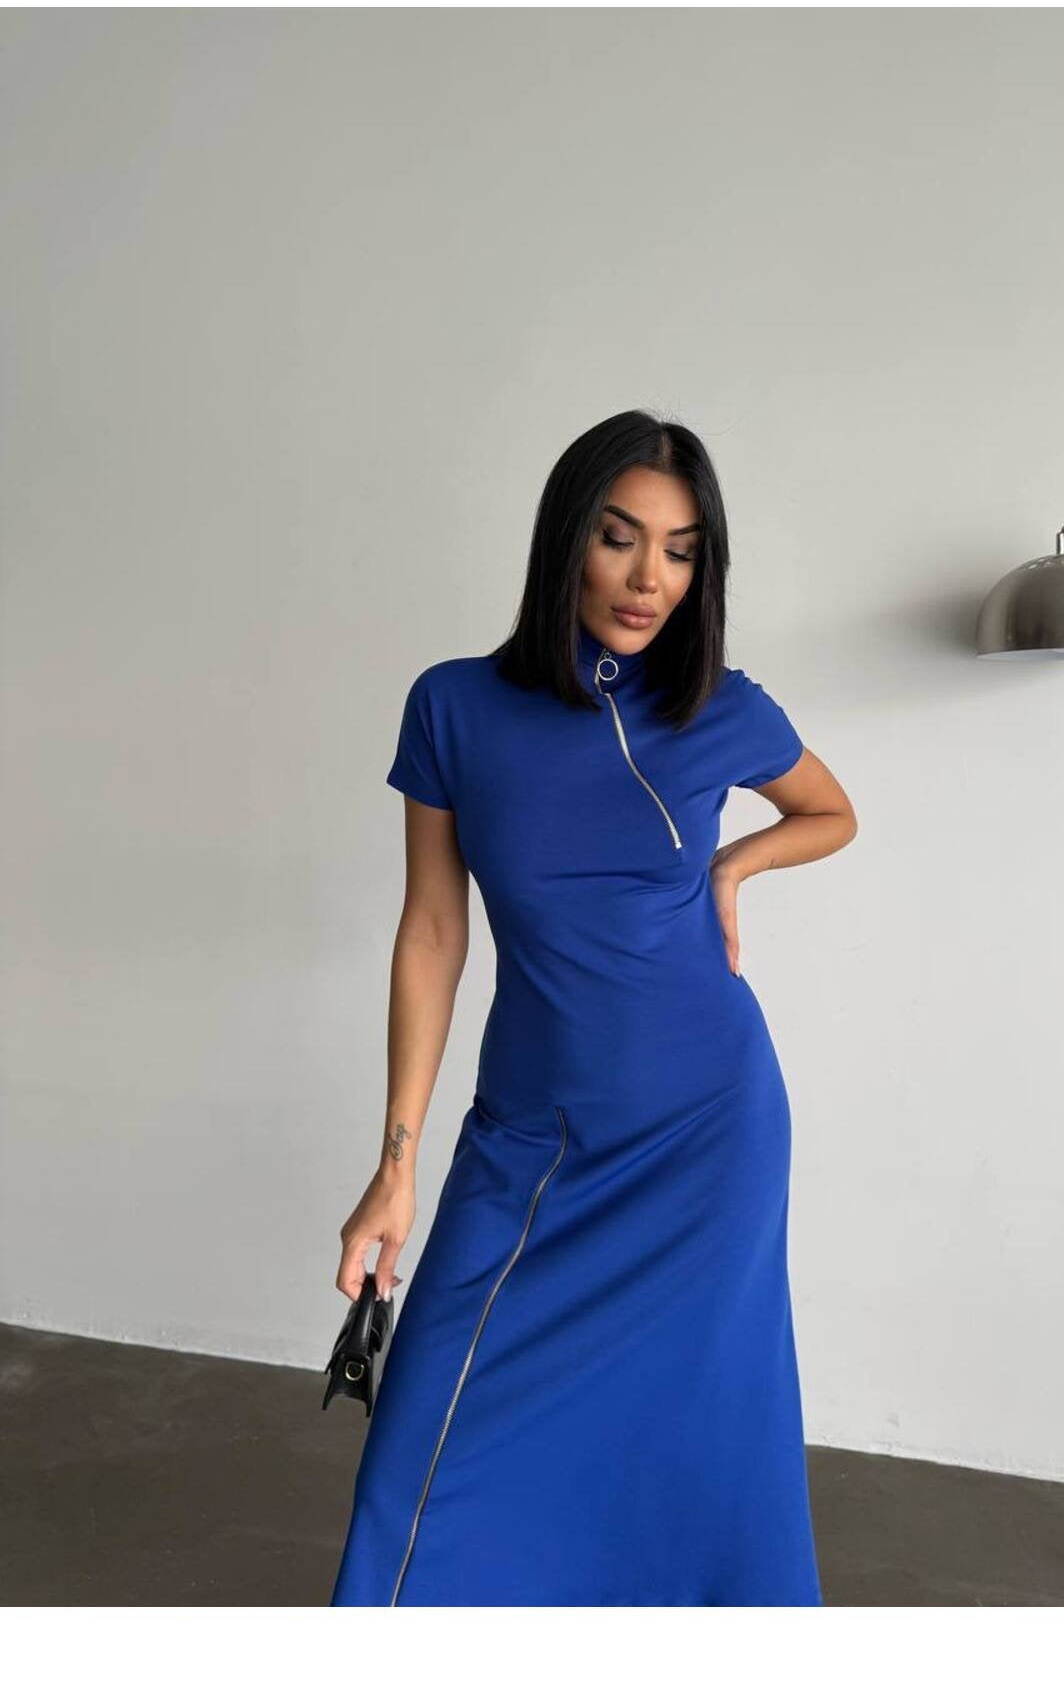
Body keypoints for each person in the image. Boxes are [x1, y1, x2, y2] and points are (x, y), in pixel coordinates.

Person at [329, 408, 858, 1606]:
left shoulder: (722, 707)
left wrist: (734, 865)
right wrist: (396, 1166)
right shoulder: (454, 707)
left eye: (680, 551)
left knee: (695, 1443)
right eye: (620, 538)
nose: (648, 577)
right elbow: (432, 931)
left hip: (708, 1127)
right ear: (567, 538)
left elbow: (832, 812)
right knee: (425, 1443)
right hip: (534, 1132)